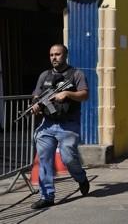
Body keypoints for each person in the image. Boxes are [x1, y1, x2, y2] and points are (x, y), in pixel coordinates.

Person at [30, 44, 90, 209]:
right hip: (47, 124)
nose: (54, 58)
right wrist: (35, 105)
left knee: (68, 157)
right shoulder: (45, 75)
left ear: (65, 55)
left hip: (68, 124)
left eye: (57, 54)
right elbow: (36, 95)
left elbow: (85, 94)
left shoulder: (76, 74)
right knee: (44, 159)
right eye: (51, 55)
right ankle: (47, 196)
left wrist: (68, 94)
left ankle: (81, 178)